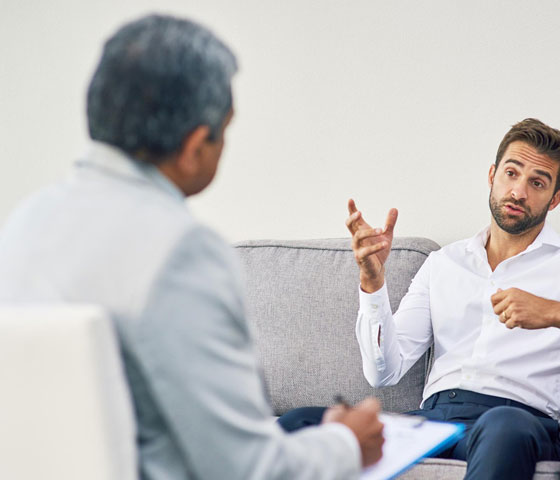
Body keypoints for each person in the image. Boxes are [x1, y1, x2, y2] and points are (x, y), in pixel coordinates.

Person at [0, 14, 384, 480]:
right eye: (226, 129)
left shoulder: (21, 225)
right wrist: (346, 443)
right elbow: (249, 470)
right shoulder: (182, 251)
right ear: (195, 144)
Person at [278, 118, 560, 480]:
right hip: (433, 421)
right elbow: (384, 372)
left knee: (502, 425)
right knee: (299, 424)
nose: (519, 191)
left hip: (519, 420)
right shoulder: (443, 263)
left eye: (538, 182)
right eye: (511, 173)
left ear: (555, 199)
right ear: (492, 176)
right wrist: (372, 282)